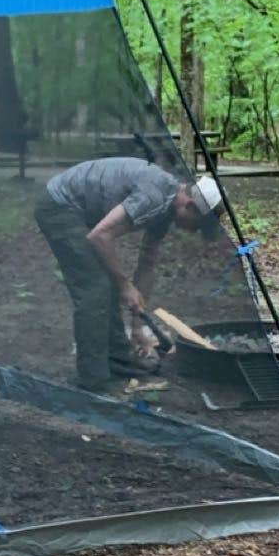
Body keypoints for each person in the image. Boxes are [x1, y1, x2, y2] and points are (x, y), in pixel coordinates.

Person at [35, 156, 223, 392]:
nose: (193, 231)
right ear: (190, 206)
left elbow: (147, 264)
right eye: (197, 225)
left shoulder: (166, 211)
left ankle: (117, 359)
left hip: (83, 214)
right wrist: (125, 285)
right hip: (59, 206)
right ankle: (91, 378)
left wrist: (137, 327)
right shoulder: (154, 197)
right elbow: (100, 236)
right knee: (95, 287)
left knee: (110, 280)